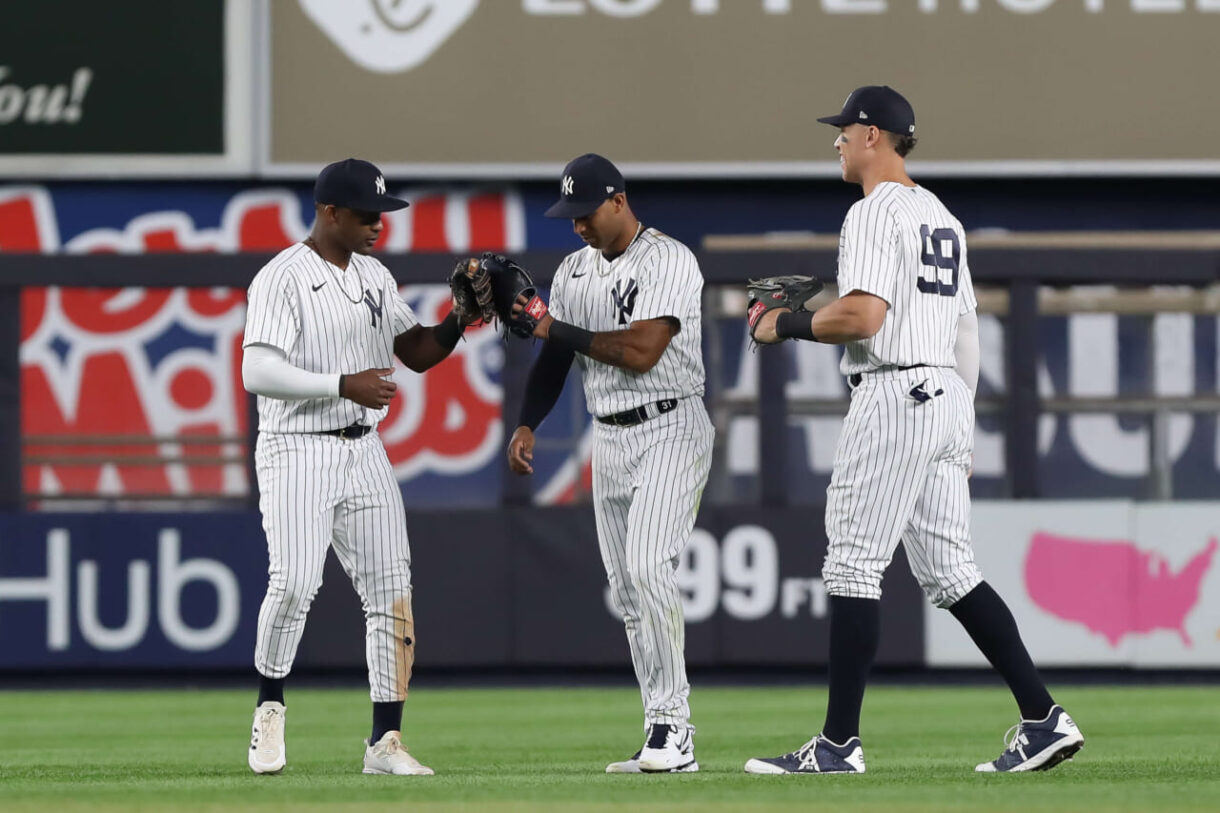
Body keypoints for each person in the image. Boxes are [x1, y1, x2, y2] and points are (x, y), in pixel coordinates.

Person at [744, 87, 1084, 774]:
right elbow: (967, 331)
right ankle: (1044, 719)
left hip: (895, 391)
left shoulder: (871, 211)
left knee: (852, 564)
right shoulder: (942, 216)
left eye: (844, 130)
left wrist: (784, 323)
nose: (837, 141)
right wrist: (961, 427)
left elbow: (863, 318)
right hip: (945, 393)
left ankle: (838, 745)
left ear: (873, 134)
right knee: (951, 572)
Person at [243, 158, 475, 777]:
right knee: (294, 583)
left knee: (391, 593)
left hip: (363, 447)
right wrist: (343, 383)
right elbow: (256, 370)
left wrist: (459, 318)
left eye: (382, 213)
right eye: (366, 214)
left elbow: (417, 351)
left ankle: (385, 742)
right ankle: (269, 706)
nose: (378, 223)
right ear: (329, 212)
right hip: (296, 446)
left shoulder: (375, 274)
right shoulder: (281, 277)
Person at [505, 153, 714, 773]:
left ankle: (675, 726)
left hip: (671, 424)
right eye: (569, 216)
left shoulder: (669, 259)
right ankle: (659, 730)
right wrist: (527, 421)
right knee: (626, 592)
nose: (578, 225)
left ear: (618, 201)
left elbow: (643, 350)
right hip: (612, 436)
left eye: (586, 212)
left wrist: (550, 327)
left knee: (649, 567)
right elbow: (554, 359)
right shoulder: (574, 271)